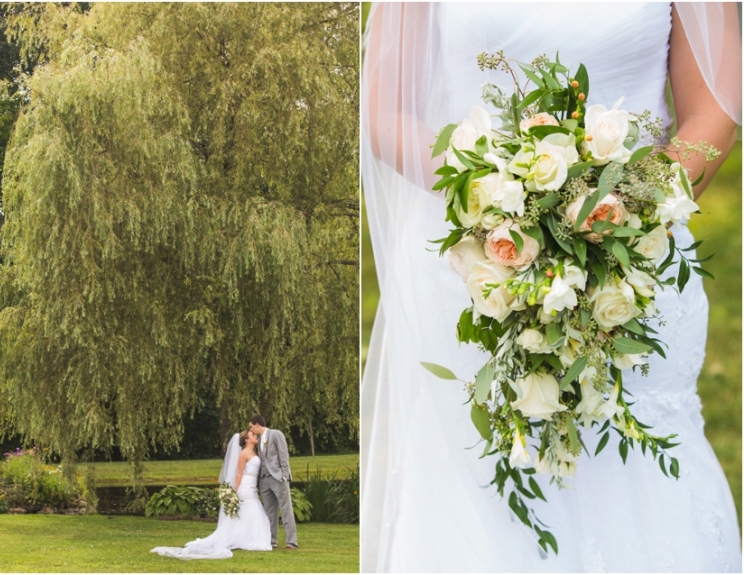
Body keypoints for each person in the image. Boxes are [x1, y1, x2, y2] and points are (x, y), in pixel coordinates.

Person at [361, 2, 741, 572]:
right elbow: (386, 113)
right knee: (480, 468)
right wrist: (495, 198)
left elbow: (716, 106)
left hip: (633, 254)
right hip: (478, 262)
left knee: (634, 457)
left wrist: (623, 207)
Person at [149, 430, 272, 559]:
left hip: (252, 485)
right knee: (250, 508)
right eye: (252, 435)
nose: (255, 436)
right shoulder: (243, 454)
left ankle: (246, 537)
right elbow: (239, 473)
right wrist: (234, 490)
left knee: (248, 511)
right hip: (245, 487)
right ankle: (244, 538)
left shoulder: (254, 452)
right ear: (246, 440)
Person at [249, 414, 298, 550]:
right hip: (264, 479)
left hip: (277, 478)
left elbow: (284, 455)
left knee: (286, 509)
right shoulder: (258, 441)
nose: (251, 430)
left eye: (252, 427)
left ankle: (291, 542)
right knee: (269, 511)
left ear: (257, 425)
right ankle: (271, 541)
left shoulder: (276, 434)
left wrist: (284, 475)